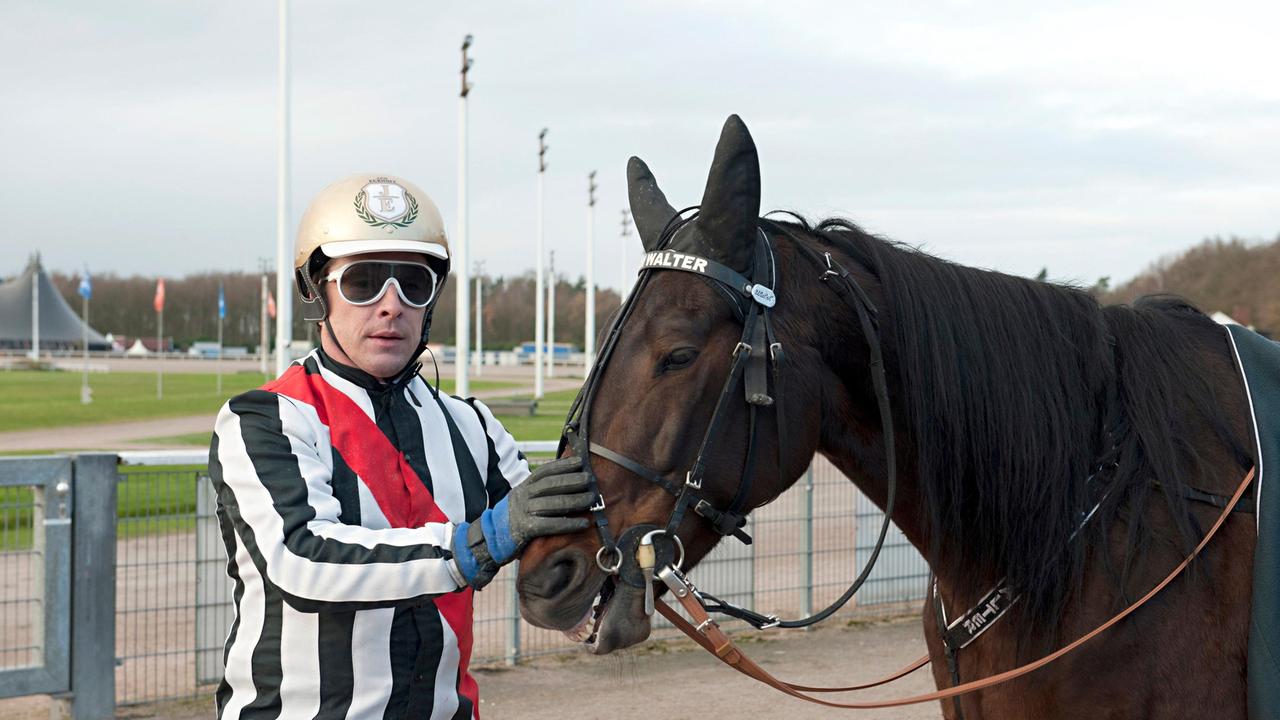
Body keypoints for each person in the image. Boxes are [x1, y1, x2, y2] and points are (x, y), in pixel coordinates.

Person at [209, 173, 593, 719]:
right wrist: (473, 546)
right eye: (363, 282)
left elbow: (558, 535)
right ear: (317, 292)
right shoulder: (264, 419)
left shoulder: (472, 425)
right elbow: (302, 561)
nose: (392, 306)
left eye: (413, 284)